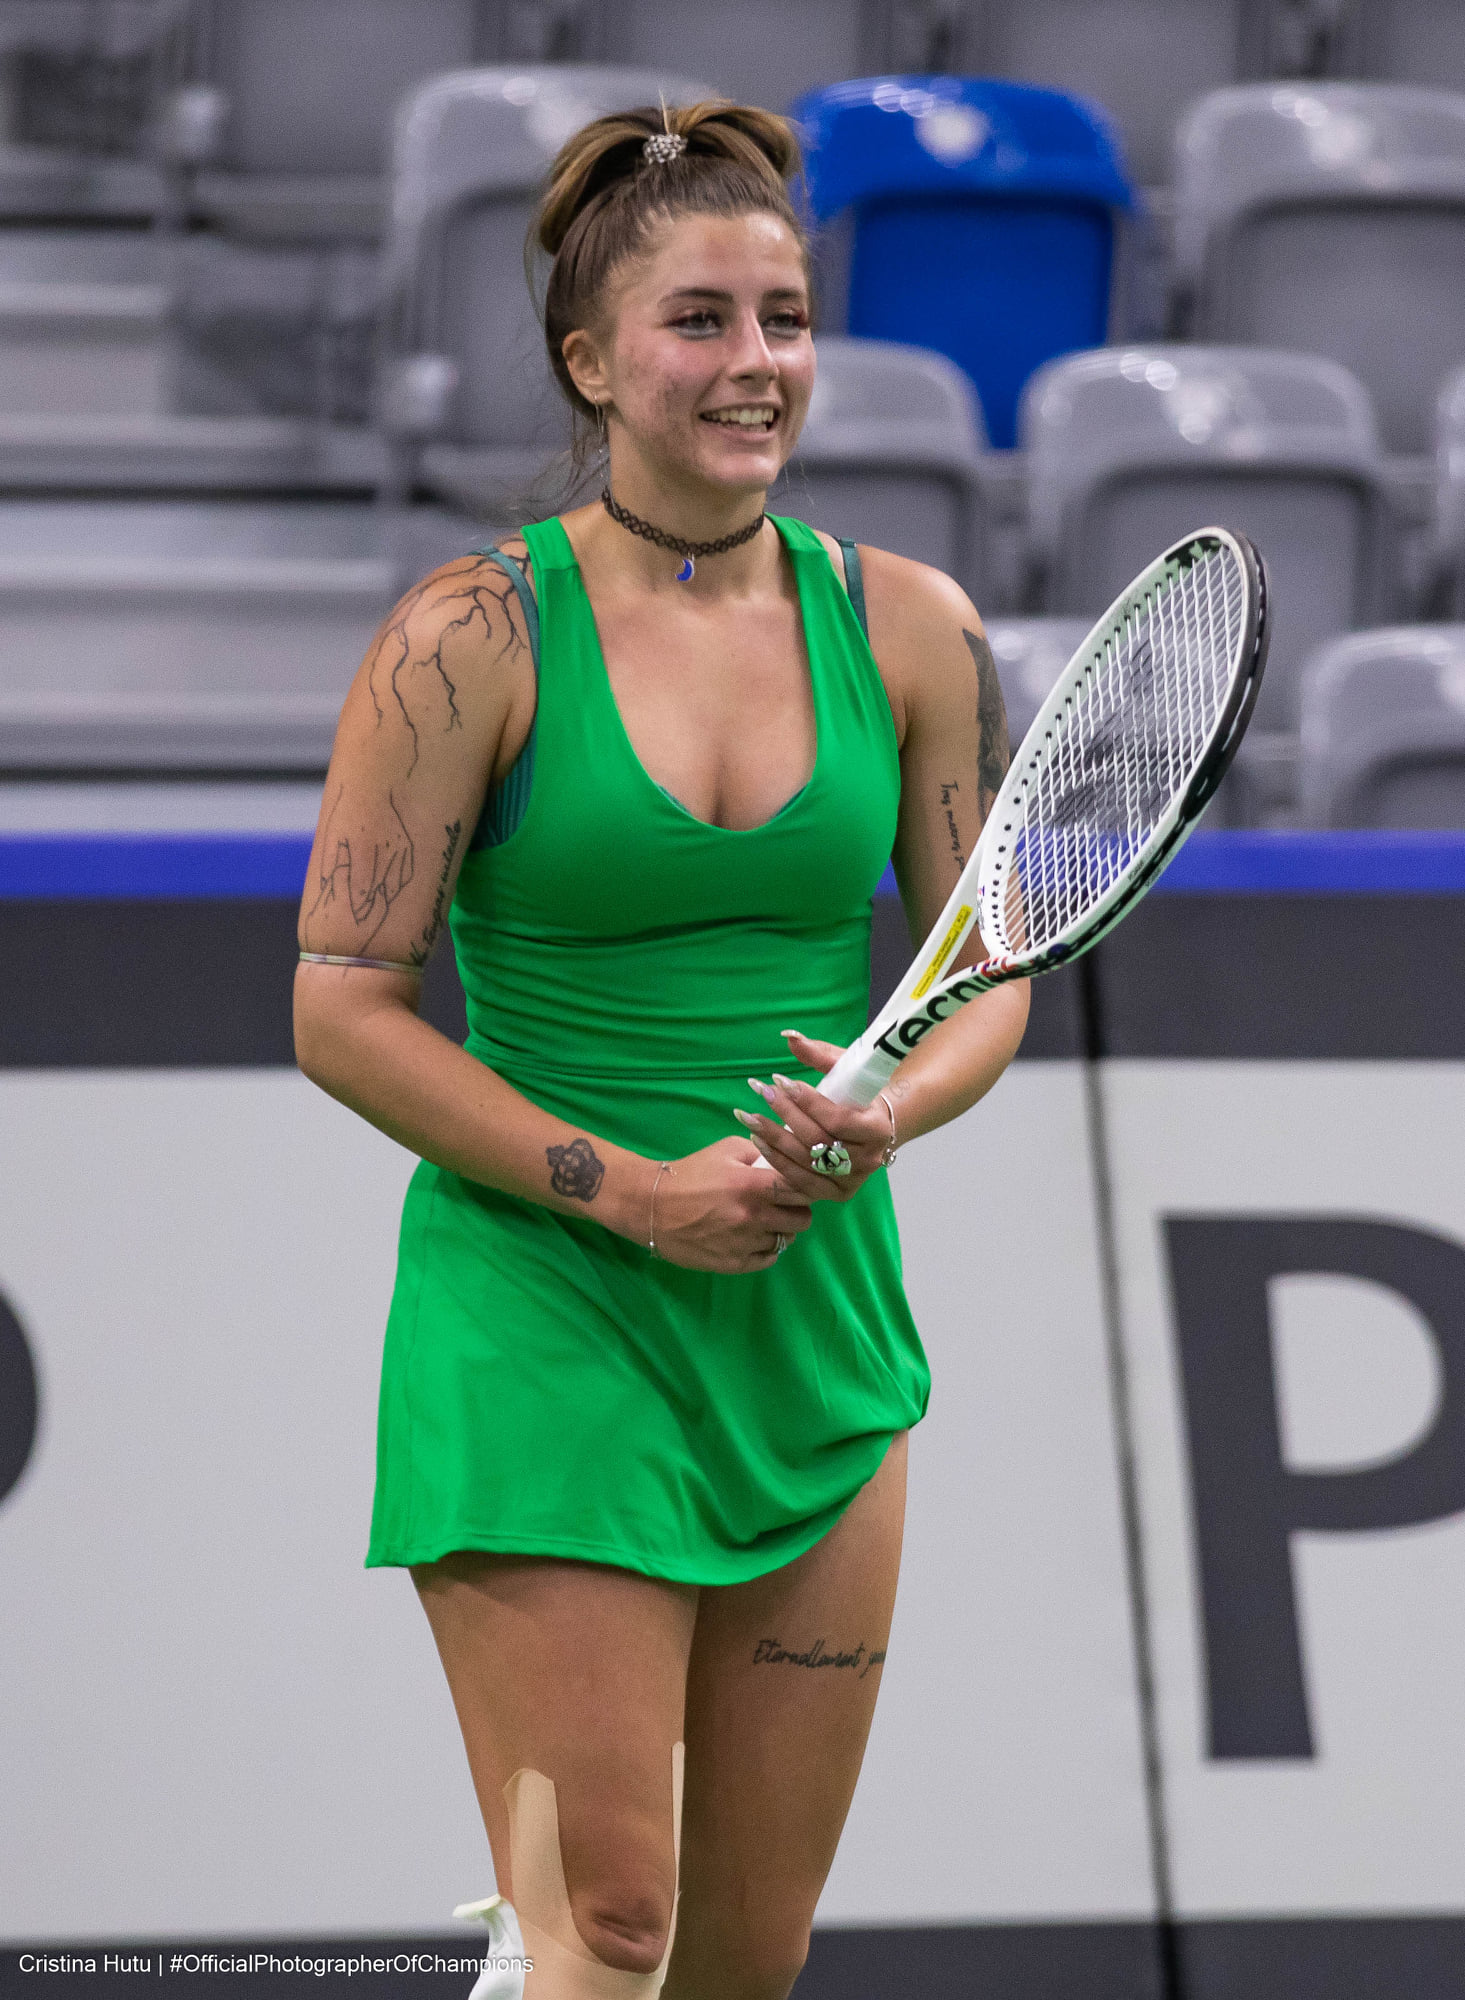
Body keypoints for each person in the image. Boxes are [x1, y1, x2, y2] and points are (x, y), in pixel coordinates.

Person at [293, 98, 1028, 2000]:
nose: (753, 361)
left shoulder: (913, 626)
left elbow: (988, 974)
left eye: (783, 319)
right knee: (603, 1924)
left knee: (737, 1961)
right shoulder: (466, 634)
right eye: (697, 321)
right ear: (590, 362)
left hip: (813, 1325)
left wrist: (883, 1115)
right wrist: (627, 1193)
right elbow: (340, 1010)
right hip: (548, 1309)